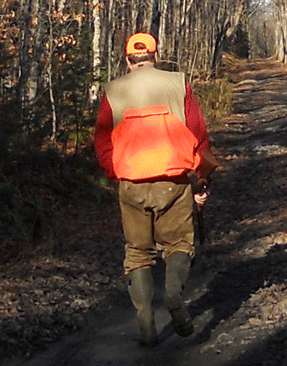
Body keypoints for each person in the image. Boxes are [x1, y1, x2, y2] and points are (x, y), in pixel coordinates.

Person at [93, 32, 218, 346]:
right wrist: (202, 178)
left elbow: (102, 140)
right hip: (173, 184)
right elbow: (199, 135)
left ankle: (146, 326)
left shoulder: (113, 91)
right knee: (178, 245)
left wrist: (115, 172)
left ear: (127, 60)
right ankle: (173, 296)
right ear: (156, 56)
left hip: (131, 185)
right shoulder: (178, 85)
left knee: (137, 255)